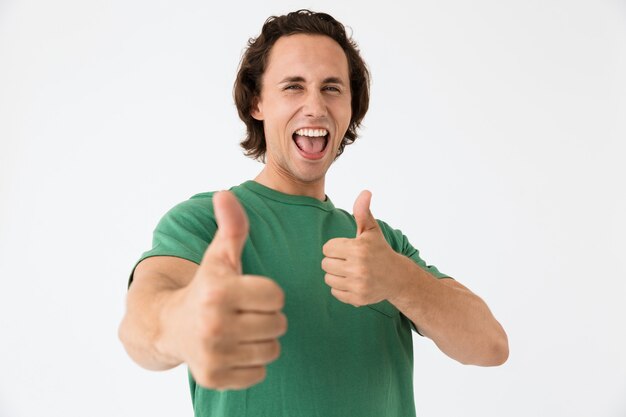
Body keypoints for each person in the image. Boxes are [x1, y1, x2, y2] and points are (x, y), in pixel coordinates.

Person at [118, 9, 508, 417]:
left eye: (332, 88)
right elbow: (141, 325)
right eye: (293, 87)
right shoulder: (208, 221)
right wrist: (185, 325)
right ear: (257, 102)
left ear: (351, 107)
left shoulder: (380, 243)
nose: (315, 106)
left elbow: (490, 346)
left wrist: (400, 279)